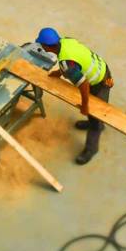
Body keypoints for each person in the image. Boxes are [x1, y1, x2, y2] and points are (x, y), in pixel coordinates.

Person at [35, 27, 114, 165]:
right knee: (92, 115)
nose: (41, 46)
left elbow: (84, 85)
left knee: (95, 116)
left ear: (48, 46)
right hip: (102, 68)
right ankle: (94, 123)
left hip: (100, 82)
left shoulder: (67, 65)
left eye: (41, 44)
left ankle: (91, 148)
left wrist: (85, 105)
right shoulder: (66, 41)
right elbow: (73, 59)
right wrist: (59, 73)